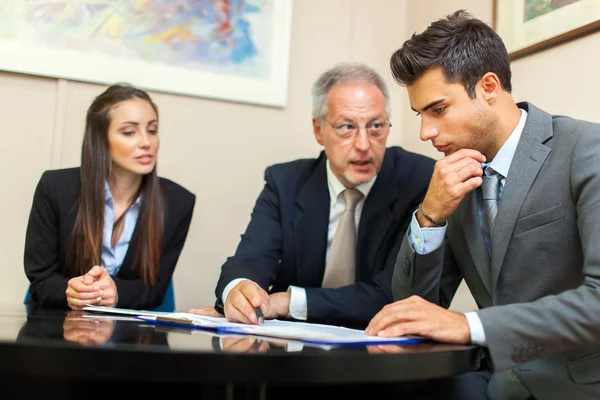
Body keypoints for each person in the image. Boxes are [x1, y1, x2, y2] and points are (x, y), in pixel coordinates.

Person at [366, 10, 600, 400]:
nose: (426, 133)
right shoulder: (453, 177)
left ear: (489, 86)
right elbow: (414, 310)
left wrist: (470, 325)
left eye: (438, 109)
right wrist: (430, 216)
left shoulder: (586, 149)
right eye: (420, 115)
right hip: (494, 384)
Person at [190, 62, 435, 329]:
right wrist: (240, 291)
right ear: (319, 130)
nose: (364, 145)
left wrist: (286, 302)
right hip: (293, 355)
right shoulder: (285, 183)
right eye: (346, 127)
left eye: (376, 126)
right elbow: (250, 260)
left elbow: (392, 297)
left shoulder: (418, 179)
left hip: (380, 350)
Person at [24, 83, 196, 311]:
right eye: (129, 132)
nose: (146, 142)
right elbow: (41, 279)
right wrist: (73, 291)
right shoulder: (55, 187)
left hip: (131, 338)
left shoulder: (178, 202)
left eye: (152, 130)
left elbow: (154, 290)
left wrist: (116, 291)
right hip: (56, 327)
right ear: (100, 139)